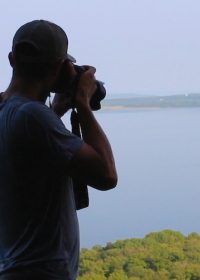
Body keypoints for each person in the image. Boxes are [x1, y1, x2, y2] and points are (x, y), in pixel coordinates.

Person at [0, 20, 118, 280]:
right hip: (40, 272)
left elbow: (31, 145)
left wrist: (59, 110)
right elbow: (106, 175)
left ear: (11, 59)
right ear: (61, 67)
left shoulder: (8, 109)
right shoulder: (34, 116)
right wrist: (83, 105)